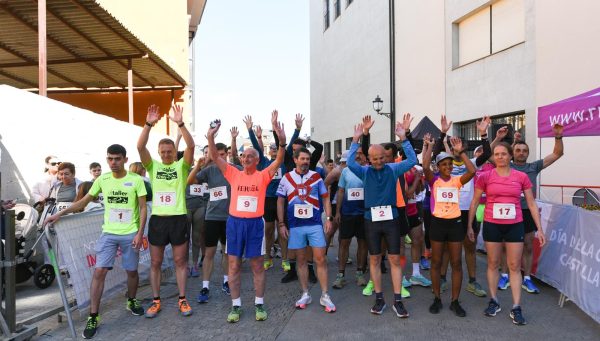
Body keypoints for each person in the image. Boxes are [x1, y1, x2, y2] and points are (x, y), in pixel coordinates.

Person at [44, 144, 147, 339]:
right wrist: (59, 214)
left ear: (125, 159)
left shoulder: (136, 180)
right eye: (110, 158)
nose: (113, 162)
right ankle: (94, 316)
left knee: (131, 270)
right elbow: (82, 202)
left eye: (117, 159)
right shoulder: (103, 179)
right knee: (99, 271)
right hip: (108, 233)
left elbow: (142, 208)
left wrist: (139, 233)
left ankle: (132, 300)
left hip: (130, 233)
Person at [206, 112, 286, 323]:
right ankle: (236, 306)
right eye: (243, 156)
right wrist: (210, 137)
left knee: (257, 265)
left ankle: (259, 303)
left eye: (250, 156)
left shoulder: (263, 175)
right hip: (234, 224)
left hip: (255, 225)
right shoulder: (233, 173)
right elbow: (215, 157)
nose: (245, 158)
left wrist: (282, 141)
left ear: (257, 160)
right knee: (233, 265)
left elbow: (279, 159)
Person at [468, 142, 547, 325]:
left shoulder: (521, 177)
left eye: (504, 154)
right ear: (494, 157)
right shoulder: (485, 177)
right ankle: (494, 300)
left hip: (514, 225)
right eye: (497, 154)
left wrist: (539, 229)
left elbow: (531, 203)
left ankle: (516, 306)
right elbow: (475, 201)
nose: (500, 157)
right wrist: (469, 226)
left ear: (510, 156)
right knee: (493, 263)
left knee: (513, 265)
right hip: (492, 224)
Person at [347, 117, 416, 318]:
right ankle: (379, 298)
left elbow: (412, 161)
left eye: (381, 158)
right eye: (374, 158)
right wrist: (355, 140)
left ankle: (397, 300)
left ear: (386, 158)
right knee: (375, 258)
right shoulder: (364, 172)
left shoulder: (393, 169)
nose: (378, 161)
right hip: (371, 219)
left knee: (394, 258)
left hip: (391, 217)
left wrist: (404, 138)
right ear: (369, 158)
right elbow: (351, 162)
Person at [137, 104, 195, 318]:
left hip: (178, 218)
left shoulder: (181, 166)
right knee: (155, 262)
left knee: (180, 261)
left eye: (170, 151)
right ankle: (156, 300)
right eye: (163, 152)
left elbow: (190, 146)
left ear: (174, 152)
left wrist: (180, 124)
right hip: (159, 220)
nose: (167, 154)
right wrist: (148, 125)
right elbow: (140, 147)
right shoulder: (153, 167)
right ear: (159, 153)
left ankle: (182, 299)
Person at [496, 124, 564, 293]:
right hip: (509, 211)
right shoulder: (505, 165)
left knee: (527, 245)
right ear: (513, 153)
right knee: (506, 245)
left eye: (524, 151)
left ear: (528, 153)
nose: (521, 153)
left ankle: (526, 278)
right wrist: (499, 138)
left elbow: (557, 154)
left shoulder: (533, 167)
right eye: (518, 150)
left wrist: (558, 136)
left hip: (527, 212)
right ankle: (504, 276)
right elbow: (491, 154)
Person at [435, 115, 492, 298]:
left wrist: (483, 134)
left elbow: (488, 153)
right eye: (451, 146)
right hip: (448, 212)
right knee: (444, 248)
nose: (454, 149)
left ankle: (472, 281)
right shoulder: (445, 166)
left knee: (469, 246)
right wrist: (442, 133)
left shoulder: (472, 163)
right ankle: (443, 278)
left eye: (457, 146)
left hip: (467, 211)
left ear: (463, 148)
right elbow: (435, 153)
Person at [277, 147, 336, 313]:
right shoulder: (287, 178)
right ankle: (305, 293)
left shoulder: (316, 177)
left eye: (307, 159)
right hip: (295, 226)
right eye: (302, 159)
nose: (305, 162)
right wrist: (281, 224)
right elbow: (280, 202)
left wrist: (329, 219)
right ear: (295, 160)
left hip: (315, 224)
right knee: (301, 260)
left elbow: (325, 198)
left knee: (320, 259)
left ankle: (325, 295)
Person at [422, 132, 475, 317]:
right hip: (437, 224)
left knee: (456, 263)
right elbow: (425, 165)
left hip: (455, 224)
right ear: (438, 166)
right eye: (444, 164)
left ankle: (454, 301)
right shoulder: (434, 180)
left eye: (450, 164)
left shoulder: (456, 181)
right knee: (436, 262)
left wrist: (460, 153)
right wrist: (428, 146)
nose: (448, 167)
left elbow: (472, 171)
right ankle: (437, 298)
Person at [187, 140, 240, 302]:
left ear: (227, 155)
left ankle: (226, 281)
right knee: (209, 253)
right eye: (217, 155)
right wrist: (198, 165)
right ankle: (205, 287)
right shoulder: (209, 170)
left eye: (223, 155)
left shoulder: (236, 169)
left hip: (230, 218)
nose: (220, 158)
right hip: (212, 217)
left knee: (226, 252)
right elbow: (190, 181)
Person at [244, 115, 287, 272]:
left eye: (277, 149)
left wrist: (296, 129)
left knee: (282, 231)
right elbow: (256, 147)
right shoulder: (265, 163)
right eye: (273, 149)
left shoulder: (284, 163)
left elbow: (286, 144)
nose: (275, 151)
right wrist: (252, 131)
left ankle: (285, 259)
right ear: (270, 151)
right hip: (267, 200)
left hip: (282, 199)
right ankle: (268, 257)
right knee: (268, 231)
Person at [331, 148, 368, 289]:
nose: (358, 155)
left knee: (363, 244)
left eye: (360, 153)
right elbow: (340, 191)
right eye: (356, 153)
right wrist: (338, 212)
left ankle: (360, 273)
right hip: (347, 213)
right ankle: (341, 275)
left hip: (364, 214)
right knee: (344, 243)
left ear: (364, 156)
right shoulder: (345, 171)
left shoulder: (367, 171)